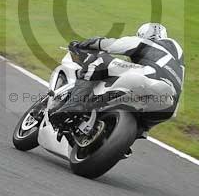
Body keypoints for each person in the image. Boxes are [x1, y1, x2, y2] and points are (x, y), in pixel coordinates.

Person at [51, 23, 184, 131]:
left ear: (144, 35)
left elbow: (110, 45)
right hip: (169, 106)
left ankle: (74, 105)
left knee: (99, 61)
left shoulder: (146, 43)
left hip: (147, 78)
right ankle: (127, 135)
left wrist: (82, 45)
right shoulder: (179, 64)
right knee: (140, 125)